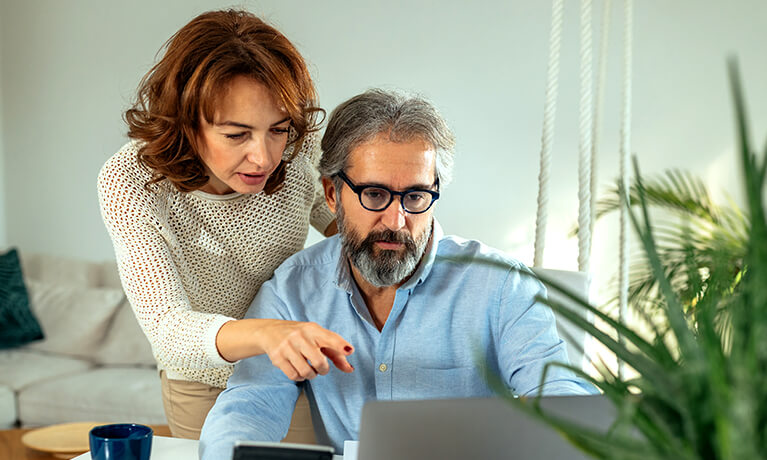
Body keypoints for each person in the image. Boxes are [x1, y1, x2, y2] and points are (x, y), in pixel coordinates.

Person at [199, 89, 596, 458]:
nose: (397, 219)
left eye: (416, 196)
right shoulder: (293, 290)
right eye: (374, 194)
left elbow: (561, 394)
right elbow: (249, 406)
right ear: (332, 193)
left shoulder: (501, 285)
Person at [97, 9, 354, 440]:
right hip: (203, 380)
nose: (265, 157)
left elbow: (348, 233)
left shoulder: (298, 149)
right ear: (185, 123)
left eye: (278, 129)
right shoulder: (132, 183)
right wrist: (270, 334)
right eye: (237, 135)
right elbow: (168, 328)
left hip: (295, 363)